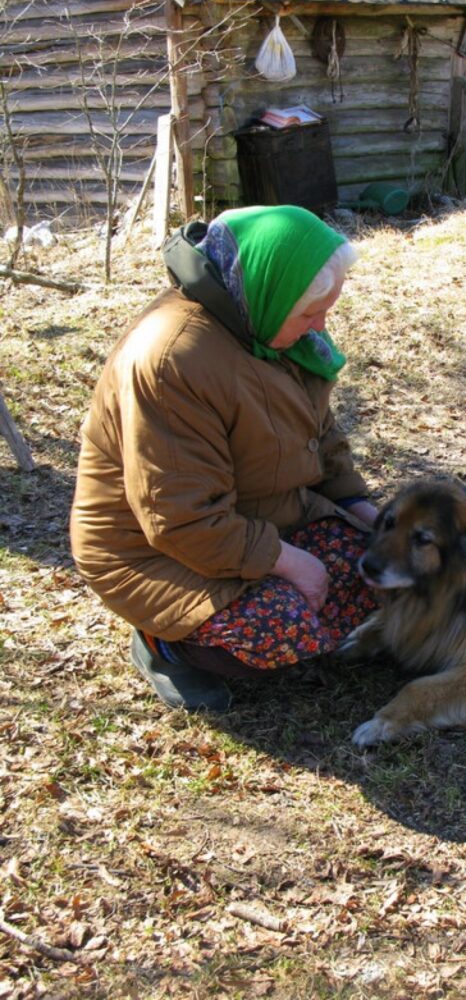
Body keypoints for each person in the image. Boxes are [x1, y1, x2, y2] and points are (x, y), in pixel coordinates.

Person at [70, 205, 378, 712]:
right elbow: (180, 517)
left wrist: (367, 513)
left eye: (326, 309)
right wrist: (294, 564)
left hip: (258, 517)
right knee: (281, 628)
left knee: (383, 574)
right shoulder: (173, 361)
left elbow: (320, 434)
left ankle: (270, 594)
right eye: (310, 313)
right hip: (156, 552)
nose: (321, 325)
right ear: (268, 290)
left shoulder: (269, 323)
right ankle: (163, 644)